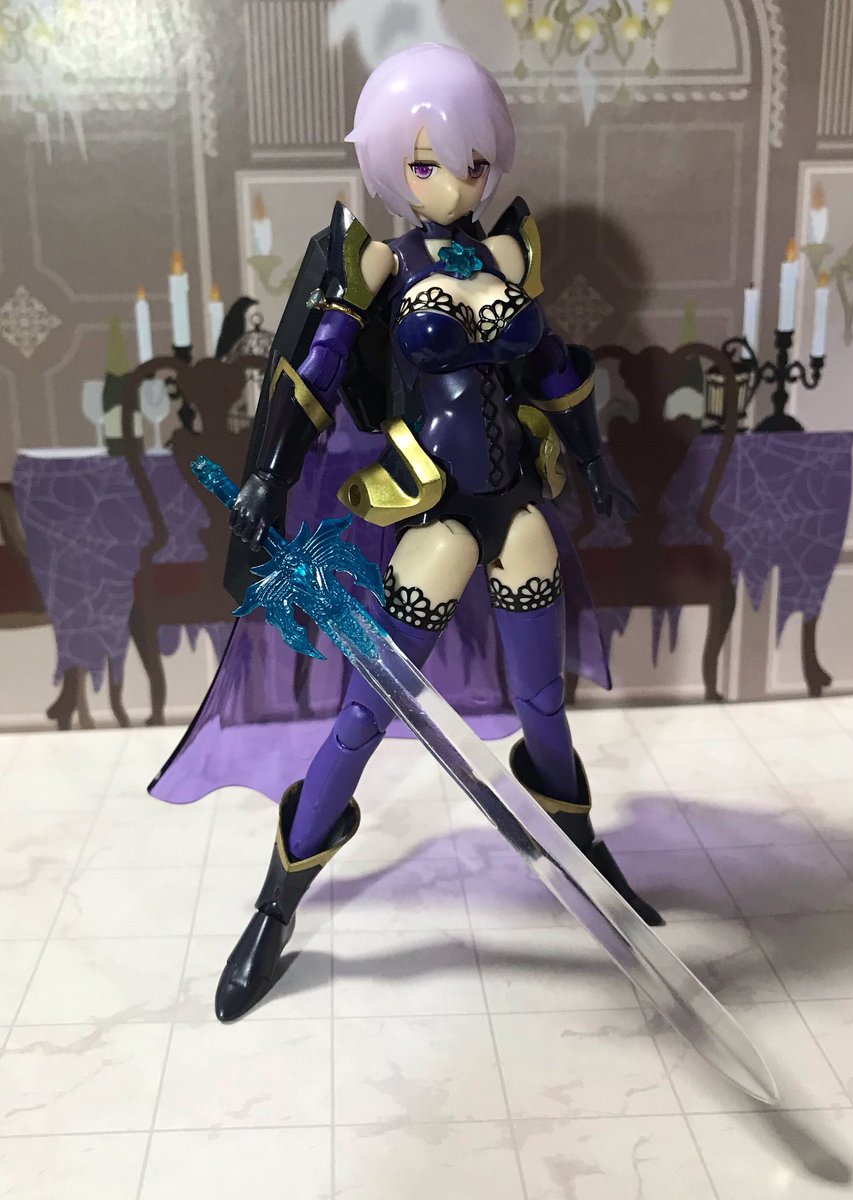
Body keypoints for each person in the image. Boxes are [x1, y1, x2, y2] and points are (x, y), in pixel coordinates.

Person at [213, 43, 662, 1023]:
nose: (454, 184)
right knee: (364, 717)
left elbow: (554, 369)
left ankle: (581, 843)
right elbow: (313, 377)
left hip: (519, 507)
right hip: (434, 514)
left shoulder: (508, 257)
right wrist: (268, 479)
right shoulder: (379, 262)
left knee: (544, 701)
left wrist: (594, 462)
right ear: (390, 162)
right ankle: (275, 906)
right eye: (426, 163)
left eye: (472, 163)